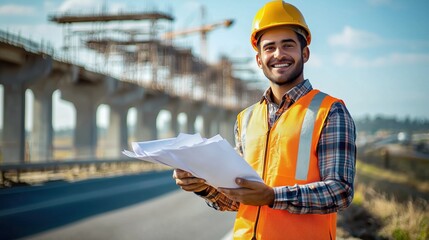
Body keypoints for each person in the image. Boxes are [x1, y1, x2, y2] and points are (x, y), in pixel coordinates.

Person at [173, 1, 356, 239]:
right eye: (269, 48)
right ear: (259, 59)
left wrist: (272, 197)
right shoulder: (246, 119)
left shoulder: (330, 111)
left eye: (287, 45)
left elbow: (340, 191)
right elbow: (240, 199)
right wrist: (204, 187)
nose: (278, 54)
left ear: (305, 53)